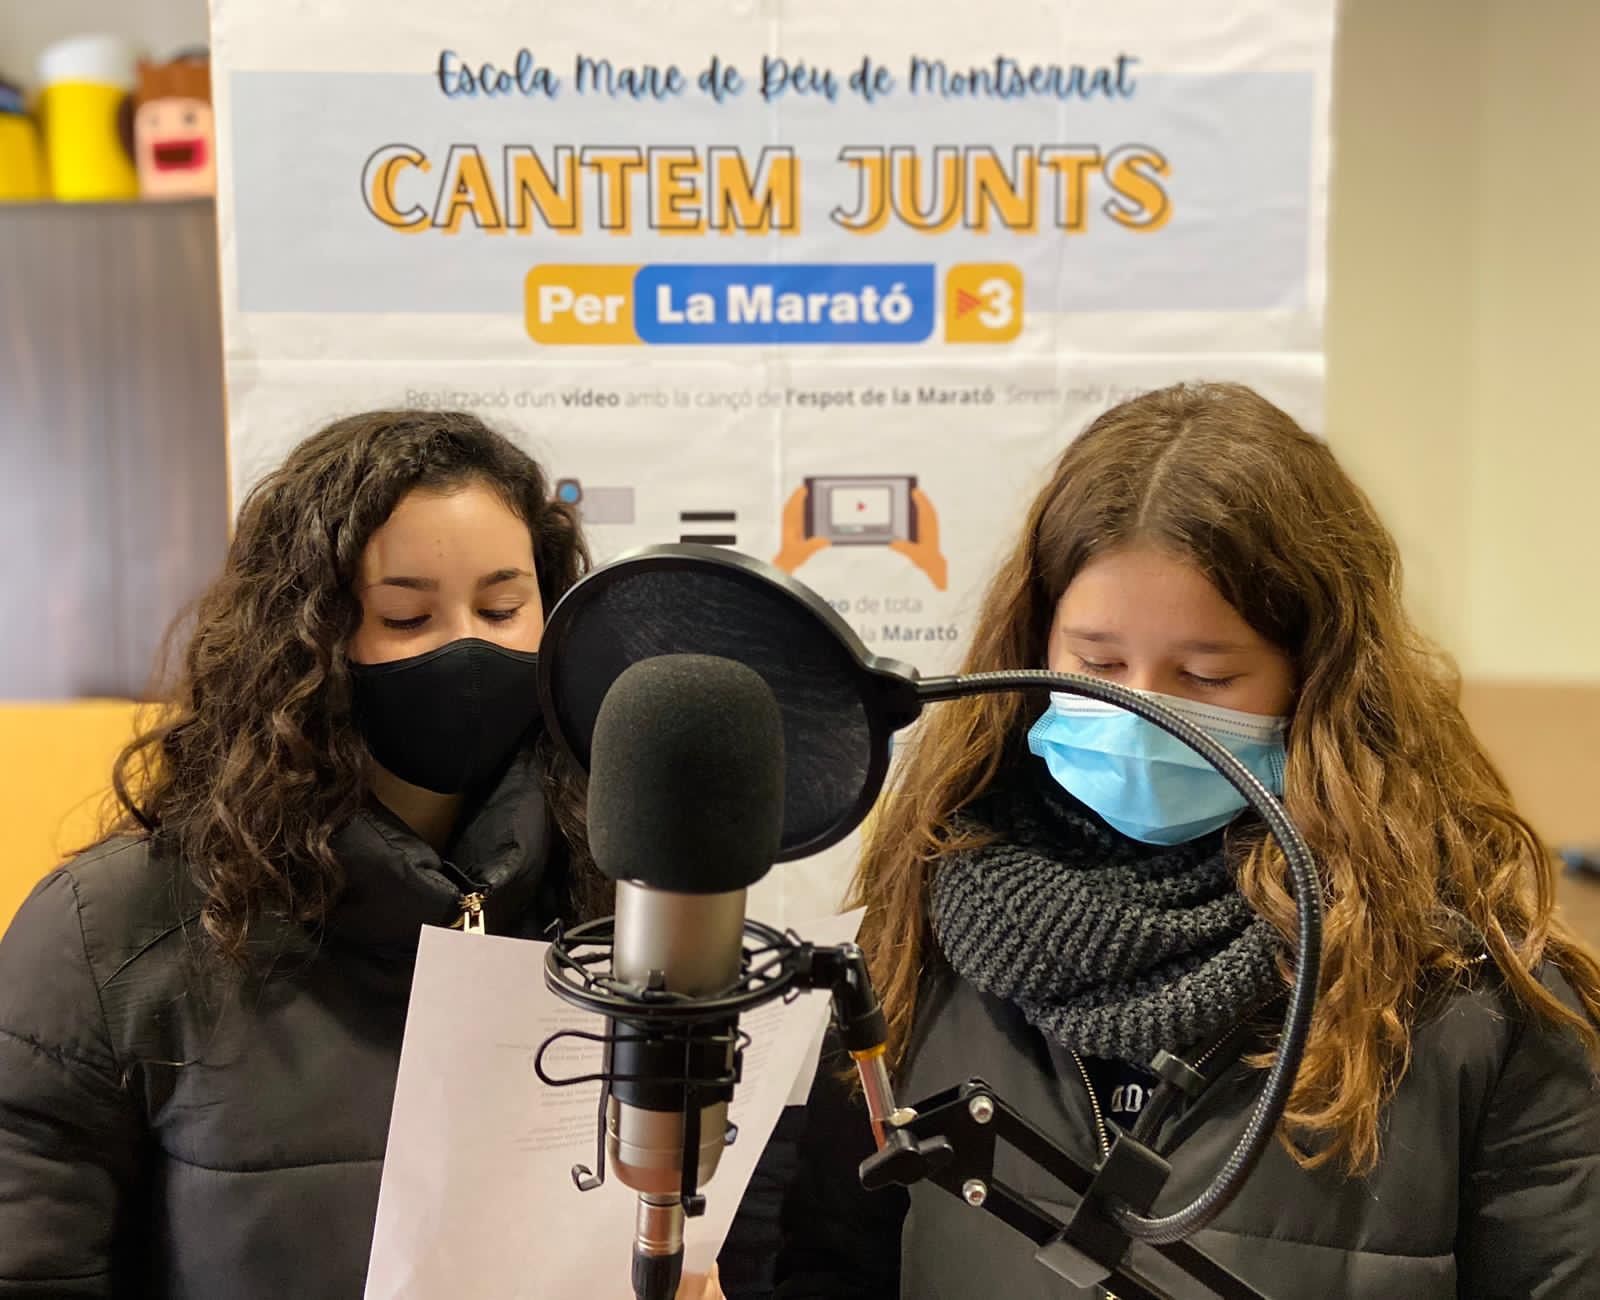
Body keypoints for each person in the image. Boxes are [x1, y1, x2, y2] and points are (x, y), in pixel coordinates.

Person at [770, 383, 1600, 1298]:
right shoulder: (925, 925)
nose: (1140, 712)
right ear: (1034, 640)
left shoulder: (1463, 985)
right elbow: (830, 1263)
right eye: (1097, 664)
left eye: (1206, 676)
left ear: (1317, 678)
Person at [0, 410, 683, 1296]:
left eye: (504, 606)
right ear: (305, 640)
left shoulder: (633, 896)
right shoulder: (110, 932)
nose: (465, 645)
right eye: (405, 615)